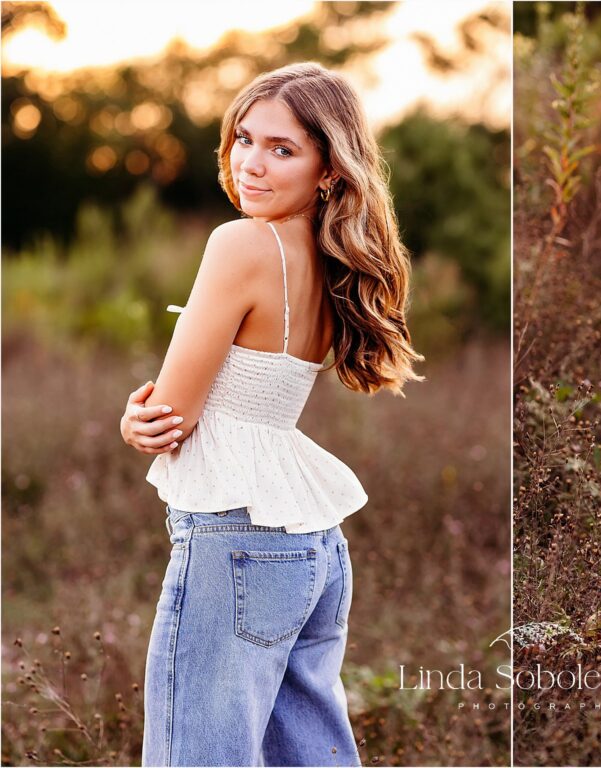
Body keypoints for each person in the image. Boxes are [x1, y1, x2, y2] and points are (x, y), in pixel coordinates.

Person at [119, 62, 421, 766]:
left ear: (327, 168)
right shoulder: (329, 257)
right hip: (314, 548)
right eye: (243, 139)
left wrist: (135, 423)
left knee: (193, 755)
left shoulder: (242, 243)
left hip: (236, 537)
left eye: (282, 149)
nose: (251, 164)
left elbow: (172, 414)